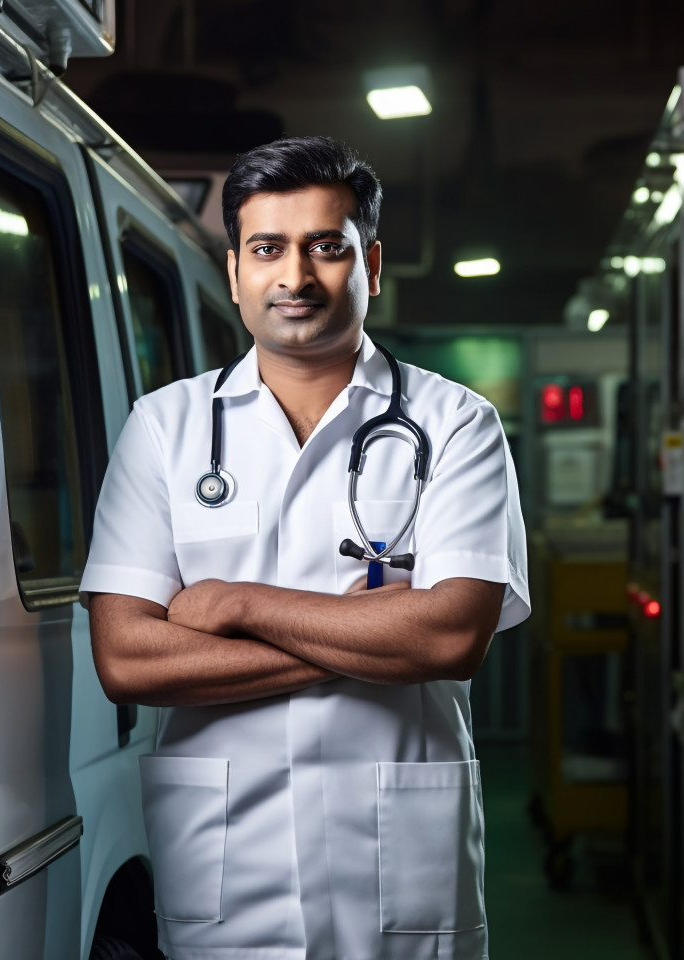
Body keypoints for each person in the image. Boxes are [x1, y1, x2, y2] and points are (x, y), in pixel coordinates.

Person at [80, 136, 530, 960]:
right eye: (268, 249)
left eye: (328, 246)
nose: (296, 276)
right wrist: (370, 639)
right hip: (225, 866)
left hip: (401, 871)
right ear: (234, 272)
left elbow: (452, 637)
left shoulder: (456, 424)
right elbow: (128, 659)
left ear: (373, 264)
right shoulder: (165, 429)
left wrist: (236, 605)